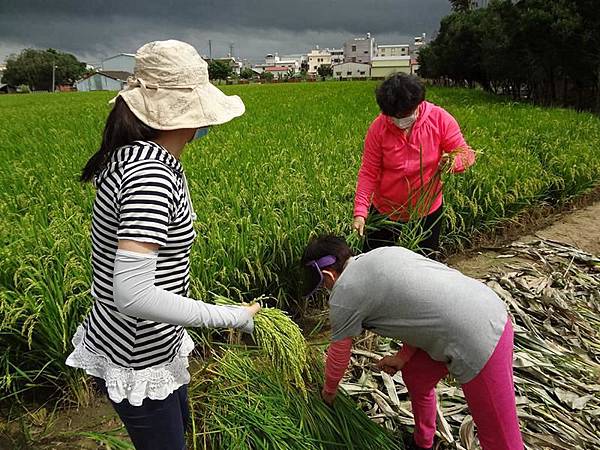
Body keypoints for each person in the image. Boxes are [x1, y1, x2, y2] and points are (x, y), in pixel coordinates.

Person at [66, 40, 260, 450]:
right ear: (186, 114)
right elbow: (133, 294)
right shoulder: (150, 175)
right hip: (139, 353)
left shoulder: (134, 157)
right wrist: (230, 317)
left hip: (147, 342)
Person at [302, 235, 524, 450]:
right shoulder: (380, 256)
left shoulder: (344, 294)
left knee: (500, 440)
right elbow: (420, 310)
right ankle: (423, 442)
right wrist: (403, 357)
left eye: (323, 285)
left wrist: (328, 393)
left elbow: (339, 353)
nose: (326, 289)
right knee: (417, 375)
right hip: (476, 306)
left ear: (328, 276)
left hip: (479, 337)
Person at [352, 73, 476, 258]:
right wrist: (360, 212)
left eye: (405, 114)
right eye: (395, 116)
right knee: (375, 261)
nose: (400, 120)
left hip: (427, 208)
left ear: (417, 104)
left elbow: (466, 154)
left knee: (425, 263)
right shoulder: (378, 129)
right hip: (386, 210)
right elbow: (368, 172)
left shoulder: (439, 119)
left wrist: (452, 162)